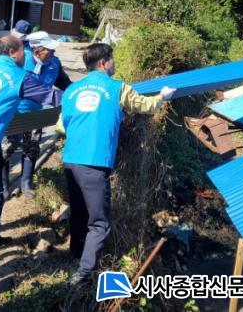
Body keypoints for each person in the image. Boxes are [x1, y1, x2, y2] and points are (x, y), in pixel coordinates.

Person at [56, 43, 175, 285]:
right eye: (112, 59)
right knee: (99, 223)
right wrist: (163, 96)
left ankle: (75, 254)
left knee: (79, 211)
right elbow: (145, 106)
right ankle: (83, 274)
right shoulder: (117, 88)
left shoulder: (72, 90)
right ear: (103, 62)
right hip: (94, 162)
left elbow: (60, 126)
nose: (114, 63)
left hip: (70, 160)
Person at [0, 35, 60, 254]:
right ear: (12, 52)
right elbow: (52, 97)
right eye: (21, 50)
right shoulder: (19, 77)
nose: (24, 55)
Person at [2, 31, 72, 199]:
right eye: (49, 50)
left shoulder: (54, 63)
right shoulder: (20, 61)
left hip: (35, 115)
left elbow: (64, 82)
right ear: (36, 50)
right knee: (6, 149)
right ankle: (3, 184)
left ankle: (26, 182)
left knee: (32, 147)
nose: (53, 53)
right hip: (13, 113)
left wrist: (77, 91)